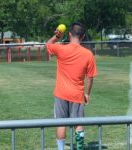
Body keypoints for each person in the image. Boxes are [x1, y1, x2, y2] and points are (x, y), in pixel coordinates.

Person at [46, 22, 97, 150]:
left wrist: (57, 36)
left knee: (61, 124)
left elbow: (48, 45)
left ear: (69, 34)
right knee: (78, 124)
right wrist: (87, 94)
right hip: (77, 94)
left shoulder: (61, 49)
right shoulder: (88, 54)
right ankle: (79, 148)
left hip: (61, 94)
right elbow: (90, 78)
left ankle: (61, 148)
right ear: (83, 36)